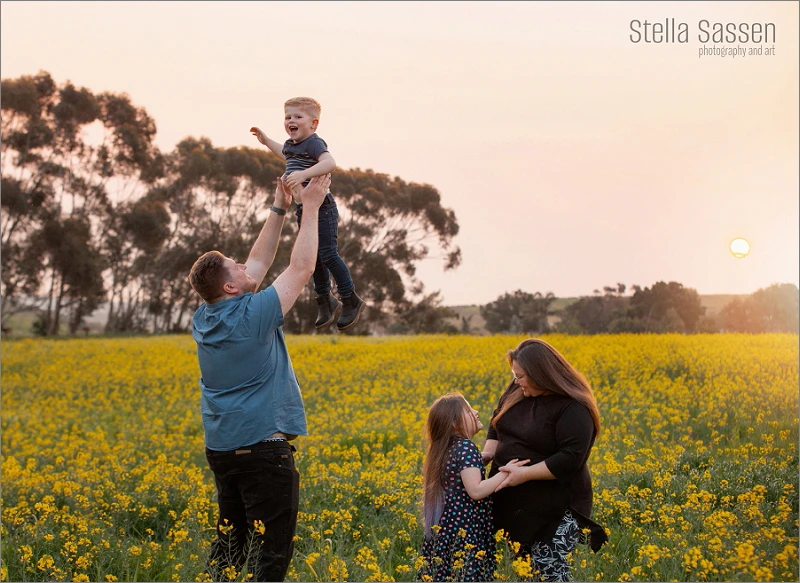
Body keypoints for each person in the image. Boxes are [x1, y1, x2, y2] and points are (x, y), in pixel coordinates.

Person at [188, 173, 331, 582]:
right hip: (262, 452)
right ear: (231, 286)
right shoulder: (252, 315)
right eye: (235, 266)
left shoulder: (205, 317)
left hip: (222, 449)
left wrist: (280, 206)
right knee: (271, 556)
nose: (244, 263)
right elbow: (300, 267)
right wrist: (313, 207)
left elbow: (258, 262)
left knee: (230, 548)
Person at [482, 339, 608, 582]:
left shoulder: (574, 407)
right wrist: (487, 455)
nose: (516, 382)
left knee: (549, 573)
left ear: (543, 375)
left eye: (521, 377)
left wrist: (524, 474)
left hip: (558, 509)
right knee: (525, 574)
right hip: (516, 507)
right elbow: (497, 423)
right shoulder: (518, 389)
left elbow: (571, 458)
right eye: (514, 376)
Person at [250, 96, 365, 332]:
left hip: (322, 207)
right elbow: (284, 154)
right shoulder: (292, 145)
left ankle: (350, 298)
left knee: (328, 254)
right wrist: (265, 141)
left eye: (297, 117)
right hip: (303, 208)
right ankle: (324, 300)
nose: (291, 120)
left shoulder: (314, 143)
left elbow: (329, 162)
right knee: (313, 257)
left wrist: (303, 176)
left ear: (313, 124)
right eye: (287, 116)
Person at [418, 392, 528, 582]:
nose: (475, 412)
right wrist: (507, 472)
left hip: (447, 531)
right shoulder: (466, 448)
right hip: (466, 533)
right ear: (455, 423)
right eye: (469, 410)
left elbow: (459, 476)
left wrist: (481, 458)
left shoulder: (446, 449)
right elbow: (476, 491)